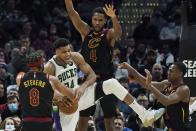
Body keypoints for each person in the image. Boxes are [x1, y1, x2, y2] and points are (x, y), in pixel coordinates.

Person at [44, 38, 165, 131]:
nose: (67, 54)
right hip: (65, 106)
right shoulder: (49, 67)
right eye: (64, 52)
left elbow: (91, 75)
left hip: (80, 96)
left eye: (69, 50)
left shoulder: (75, 57)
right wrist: (61, 97)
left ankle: (144, 114)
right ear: (56, 52)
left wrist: (83, 87)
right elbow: (45, 90)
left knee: (111, 83)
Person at [64, 0, 122, 130]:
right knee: (82, 120)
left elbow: (118, 34)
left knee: (109, 123)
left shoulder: (108, 34)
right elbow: (73, 14)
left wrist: (113, 17)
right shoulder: (86, 32)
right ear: (92, 19)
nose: (97, 22)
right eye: (95, 19)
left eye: (100, 20)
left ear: (105, 21)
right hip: (88, 80)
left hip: (106, 79)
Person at [119, 62, 191, 131]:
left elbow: (166, 101)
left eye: (171, 71)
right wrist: (130, 68)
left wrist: (149, 86)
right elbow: (144, 82)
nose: (168, 73)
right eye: (168, 70)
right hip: (170, 128)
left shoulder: (183, 89)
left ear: (180, 74)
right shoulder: (166, 84)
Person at [16, 52, 76, 131]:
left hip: (27, 121)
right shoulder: (51, 79)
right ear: (41, 65)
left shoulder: (20, 78)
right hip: (45, 122)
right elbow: (70, 94)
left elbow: (35, 89)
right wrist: (64, 98)